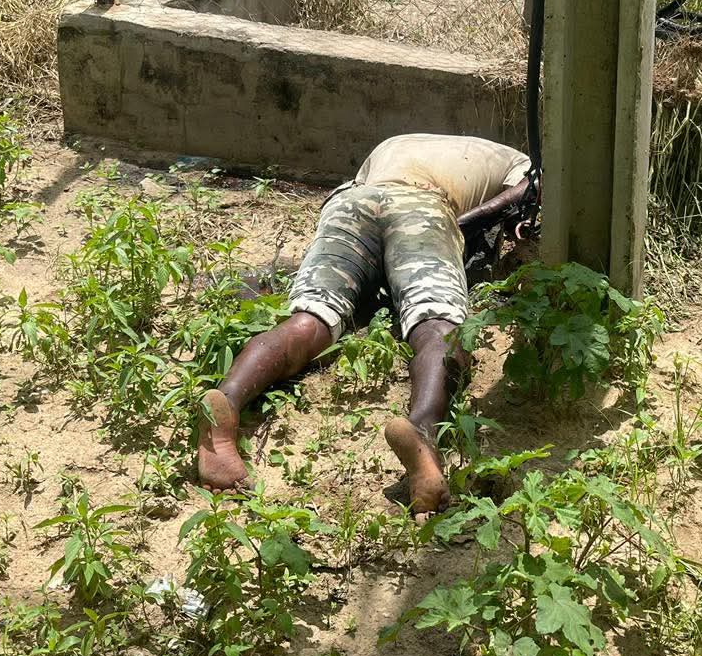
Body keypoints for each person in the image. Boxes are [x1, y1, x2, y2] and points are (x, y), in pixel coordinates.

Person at [197, 133, 533, 519]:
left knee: (311, 318)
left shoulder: (397, 142)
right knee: (437, 323)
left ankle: (228, 400)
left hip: (351, 201)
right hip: (424, 206)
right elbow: (523, 194)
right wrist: (458, 226)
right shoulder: (517, 159)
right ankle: (421, 432)